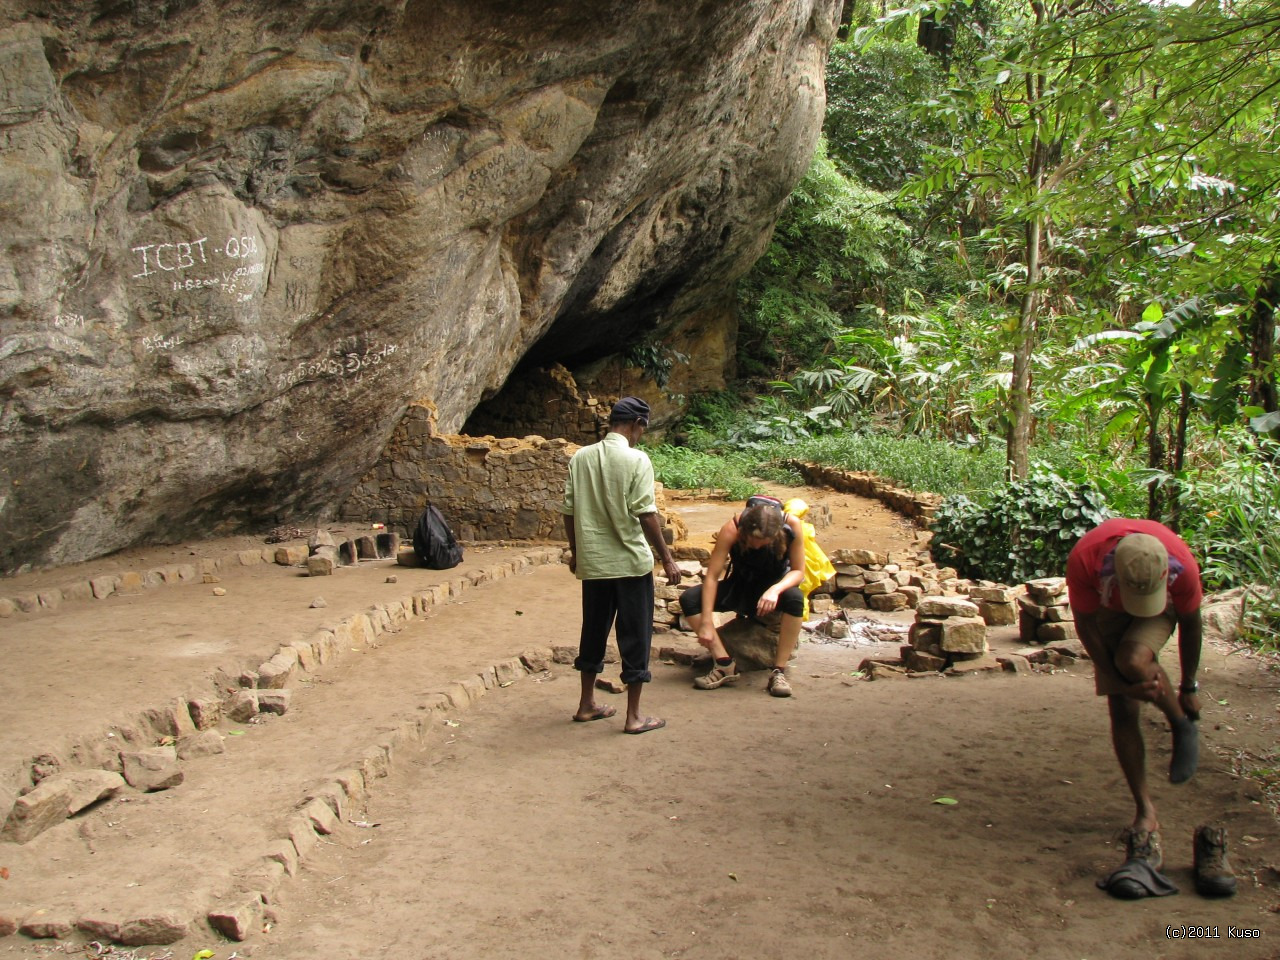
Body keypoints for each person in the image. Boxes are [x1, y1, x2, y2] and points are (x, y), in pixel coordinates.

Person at [1066, 517, 1236, 898]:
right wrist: (1117, 683)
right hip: (1108, 605)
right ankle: (1145, 811)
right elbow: (1086, 625)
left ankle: (1180, 721)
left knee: (1134, 659)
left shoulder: (1181, 567)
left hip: (1163, 603)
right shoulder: (1087, 560)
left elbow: (1191, 624)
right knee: (1122, 705)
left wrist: (1189, 685)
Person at [561, 396, 682, 735]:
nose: (641, 435)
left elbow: (569, 512)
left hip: (595, 565)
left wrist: (576, 550)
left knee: (593, 631)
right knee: (635, 637)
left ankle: (586, 704)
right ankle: (634, 717)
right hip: (630, 564)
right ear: (636, 425)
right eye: (642, 428)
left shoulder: (581, 458)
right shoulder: (636, 459)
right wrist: (667, 558)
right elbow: (646, 513)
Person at [682, 495, 806, 697]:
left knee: (795, 599)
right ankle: (724, 664)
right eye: (752, 541)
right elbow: (712, 576)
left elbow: (799, 571)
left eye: (763, 542)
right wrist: (705, 621)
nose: (756, 546)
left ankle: (778, 671)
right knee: (689, 599)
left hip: (774, 588)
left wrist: (775, 590)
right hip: (740, 584)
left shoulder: (791, 525)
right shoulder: (731, 529)